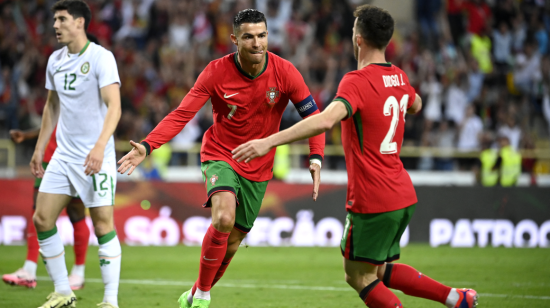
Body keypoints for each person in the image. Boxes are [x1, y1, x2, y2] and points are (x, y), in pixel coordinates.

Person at [233, 5, 478, 308]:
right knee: (377, 270)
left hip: (373, 198)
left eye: (352, 31)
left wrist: (268, 141)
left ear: (358, 39)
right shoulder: (399, 76)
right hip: (402, 193)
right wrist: (402, 98)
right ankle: (455, 298)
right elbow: (416, 103)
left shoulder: (357, 81)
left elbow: (324, 120)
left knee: (358, 276)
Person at [117, 9, 325, 308]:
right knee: (224, 217)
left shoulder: (285, 72)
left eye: (262, 36)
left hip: (259, 167)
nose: (257, 43)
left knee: (232, 244)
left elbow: (314, 118)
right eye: (249, 37)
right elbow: (182, 115)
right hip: (221, 154)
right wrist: (148, 146)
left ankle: (195, 293)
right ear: (234, 40)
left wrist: (316, 158)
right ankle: (203, 295)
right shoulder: (216, 72)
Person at [30, 1, 122, 307]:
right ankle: (63, 291)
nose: (55, 25)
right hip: (64, 156)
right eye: (55, 19)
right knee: (42, 218)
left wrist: (99, 147)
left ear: (80, 22)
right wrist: (40, 147)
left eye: (62, 19)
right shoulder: (55, 60)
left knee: (102, 225)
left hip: (96, 158)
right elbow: (51, 106)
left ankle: (110, 300)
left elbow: (115, 107)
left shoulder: (100, 57)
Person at [2, 127, 89, 290]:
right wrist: (27, 135)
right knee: (38, 212)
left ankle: (78, 272)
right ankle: (29, 269)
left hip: (77, 156)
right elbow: (53, 119)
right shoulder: (58, 101)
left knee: (76, 213)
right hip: (49, 158)